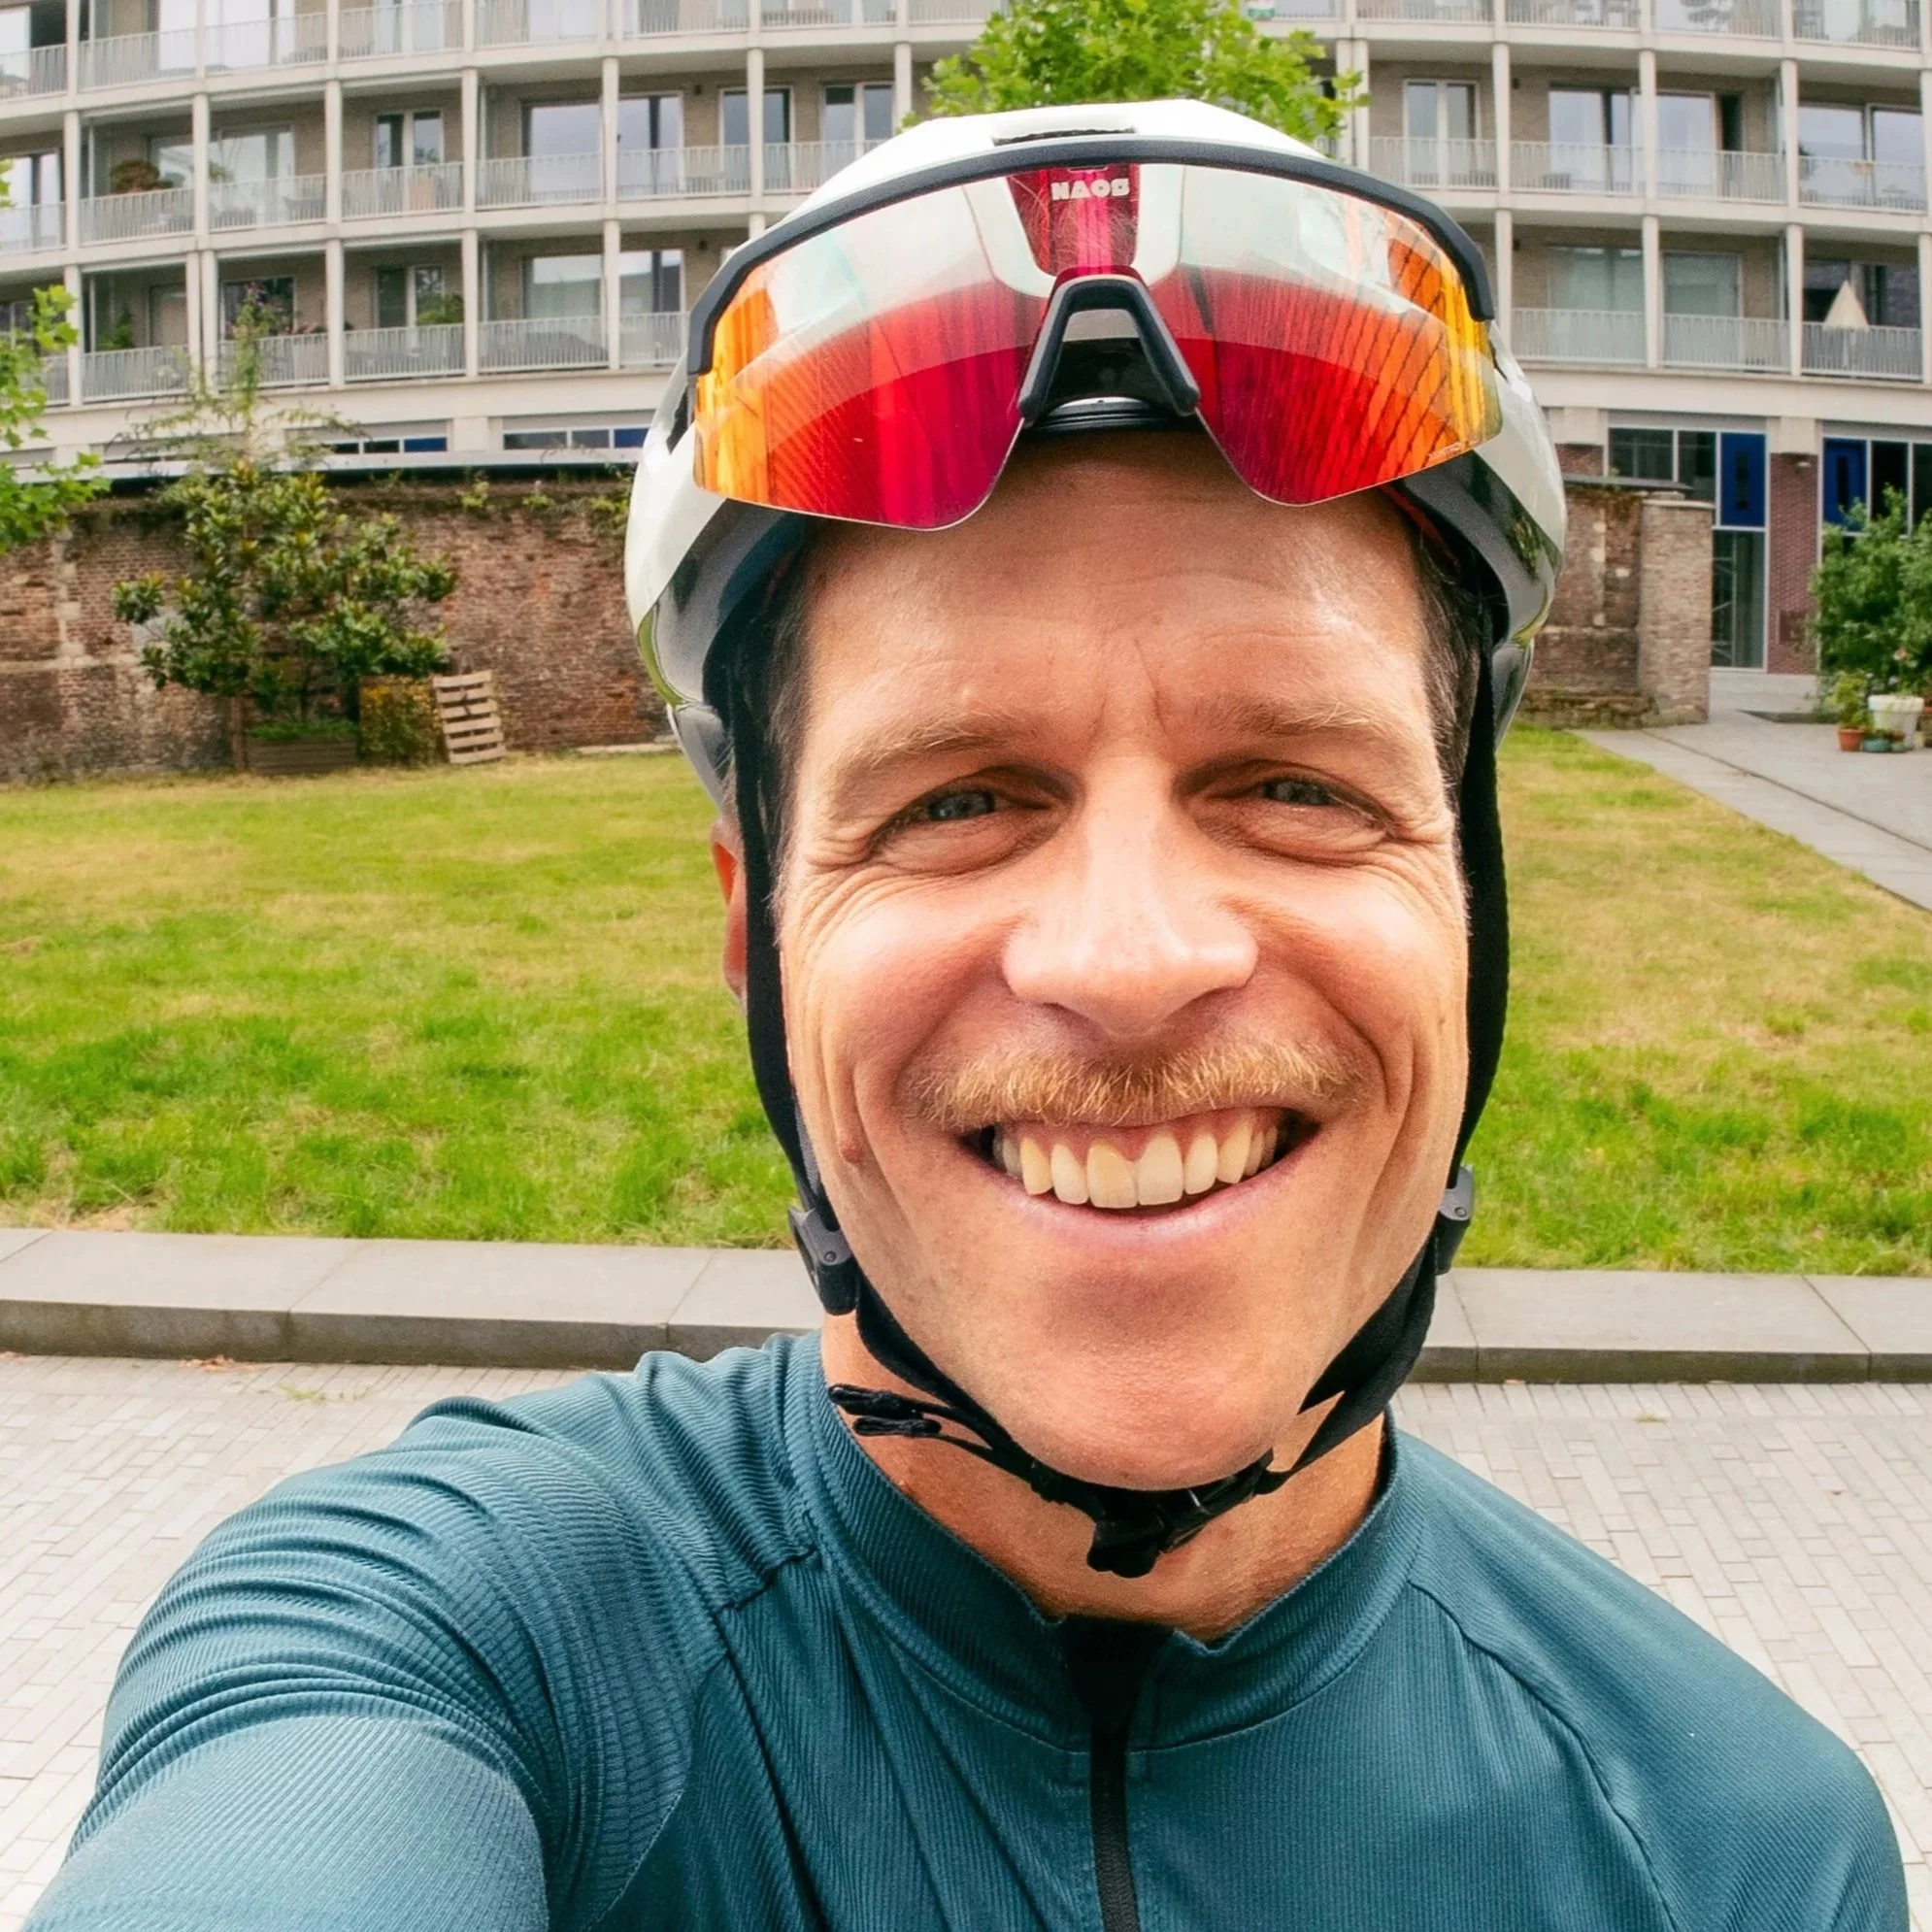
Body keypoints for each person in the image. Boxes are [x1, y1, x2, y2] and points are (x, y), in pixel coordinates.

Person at [29, 101, 1905, 1932]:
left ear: (1468, 903)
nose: (1128, 958)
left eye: (1296, 785)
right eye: (956, 799)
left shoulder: (1739, 1854)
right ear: (756, 934)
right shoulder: (446, 1637)